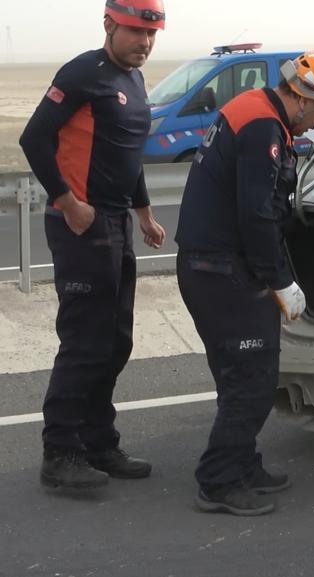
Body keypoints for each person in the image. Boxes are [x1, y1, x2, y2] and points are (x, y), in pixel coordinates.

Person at [176, 52, 314, 516]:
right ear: (305, 97)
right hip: (222, 271)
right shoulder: (262, 128)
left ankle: (242, 462)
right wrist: (282, 281)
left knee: (241, 377)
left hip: (212, 266)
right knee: (251, 381)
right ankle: (219, 481)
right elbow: (255, 215)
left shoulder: (255, 108)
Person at [18, 0, 167, 490]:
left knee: (115, 341)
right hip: (79, 224)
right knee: (84, 342)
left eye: (152, 35)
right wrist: (68, 200)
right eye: (135, 33)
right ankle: (59, 452)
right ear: (109, 24)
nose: (145, 43)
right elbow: (34, 138)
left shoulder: (135, 81)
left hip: (117, 224)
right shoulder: (83, 72)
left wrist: (142, 211)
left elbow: (129, 155)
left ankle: (99, 443)